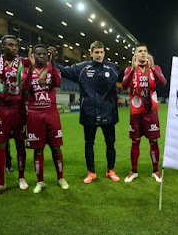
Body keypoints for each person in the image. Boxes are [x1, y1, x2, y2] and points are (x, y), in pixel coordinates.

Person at [40, 41, 124, 184]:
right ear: (91, 53)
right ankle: (91, 172)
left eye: (101, 52)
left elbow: (127, 78)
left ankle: (110, 170)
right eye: (96, 52)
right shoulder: (82, 68)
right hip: (89, 113)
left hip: (108, 114)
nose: (99, 55)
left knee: (110, 143)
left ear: (104, 53)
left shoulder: (113, 69)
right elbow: (62, 70)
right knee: (88, 144)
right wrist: (52, 59)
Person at [0, 35, 29, 196]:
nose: (14, 48)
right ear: (2, 48)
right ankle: (1, 182)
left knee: (20, 144)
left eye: (16, 45)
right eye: (10, 45)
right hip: (1, 109)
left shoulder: (24, 62)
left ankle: (21, 178)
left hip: (18, 109)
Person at [22, 44, 69, 193]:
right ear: (33, 55)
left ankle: (61, 178)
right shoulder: (27, 70)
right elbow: (25, 86)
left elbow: (58, 82)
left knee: (56, 147)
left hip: (51, 113)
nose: (41, 56)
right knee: (38, 149)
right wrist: (31, 68)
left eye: (44, 54)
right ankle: (40, 182)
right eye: (39, 54)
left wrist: (53, 63)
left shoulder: (52, 68)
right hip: (35, 114)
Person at [122, 44, 166, 183]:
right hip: (136, 112)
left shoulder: (155, 68)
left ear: (148, 54)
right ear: (135, 54)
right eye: (140, 51)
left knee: (153, 141)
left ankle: (155, 171)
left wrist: (153, 68)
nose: (143, 53)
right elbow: (124, 86)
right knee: (135, 141)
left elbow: (163, 82)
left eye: (145, 51)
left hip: (150, 110)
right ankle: (133, 171)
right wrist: (132, 70)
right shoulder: (130, 69)